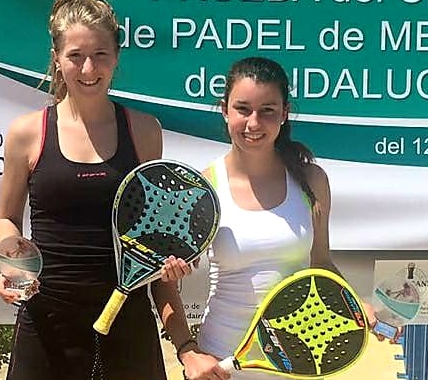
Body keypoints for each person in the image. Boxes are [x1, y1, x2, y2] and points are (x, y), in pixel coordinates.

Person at [154, 57, 385, 380]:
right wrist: (188, 352)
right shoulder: (203, 190)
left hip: (297, 362)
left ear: (284, 113)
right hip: (220, 364)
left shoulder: (312, 181)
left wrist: (358, 304)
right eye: (242, 109)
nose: (253, 123)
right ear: (225, 110)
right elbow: (165, 286)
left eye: (267, 111)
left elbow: (320, 264)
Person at [0, 0, 168, 380]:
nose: (88, 69)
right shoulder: (27, 132)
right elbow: (5, 219)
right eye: (75, 56)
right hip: (47, 320)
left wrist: (168, 264)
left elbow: (153, 230)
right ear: (57, 59)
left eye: (100, 55)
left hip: (128, 318)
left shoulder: (144, 131)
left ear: (117, 57)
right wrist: (10, 257)